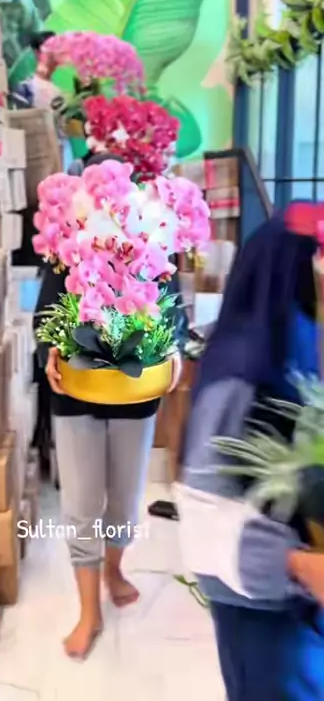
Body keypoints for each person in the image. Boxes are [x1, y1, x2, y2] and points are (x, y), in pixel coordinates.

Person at [33, 153, 187, 660]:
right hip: (75, 390)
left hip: (134, 393)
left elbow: (174, 313)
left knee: (124, 500)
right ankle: (88, 611)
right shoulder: (65, 248)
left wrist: (175, 350)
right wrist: (49, 352)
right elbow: (45, 317)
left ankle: (114, 570)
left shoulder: (151, 242)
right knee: (81, 505)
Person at [175, 213, 324, 700]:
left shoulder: (302, 350)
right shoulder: (239, 376)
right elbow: (202, 520)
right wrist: (296, 564)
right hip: (263, 618)